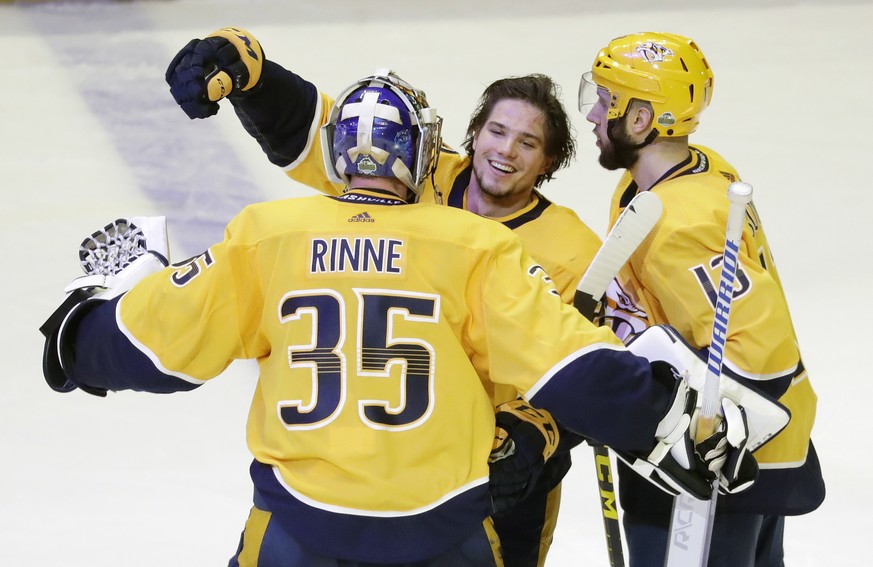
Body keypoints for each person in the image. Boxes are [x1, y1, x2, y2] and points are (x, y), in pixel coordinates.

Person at [39, 69, 756, 566]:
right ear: (430, 152)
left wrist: (78, 334)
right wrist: (668, 418)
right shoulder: (472, 244)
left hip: (298, 523)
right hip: (439, 525)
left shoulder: (266, 234)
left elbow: (152, 347)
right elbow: (570, 365)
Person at [164, 26, 601, 567]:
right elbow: (319, 131)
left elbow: (590, 366)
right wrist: (253, 75)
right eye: (496, 131)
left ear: (549, 163)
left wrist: (537, 435)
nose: (506, 151)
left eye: (528, 143)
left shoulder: (574, 249)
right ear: (473, 134)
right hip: (392, 450)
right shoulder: (416, 170)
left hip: (506, 468)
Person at [578, 31, 826, 566]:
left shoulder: (679, 223)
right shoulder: (683, 174)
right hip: (741, 450)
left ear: (640, 119)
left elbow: (764, 356)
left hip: (719, 462)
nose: (594, 115)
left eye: (605, 100)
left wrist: (704, 433)